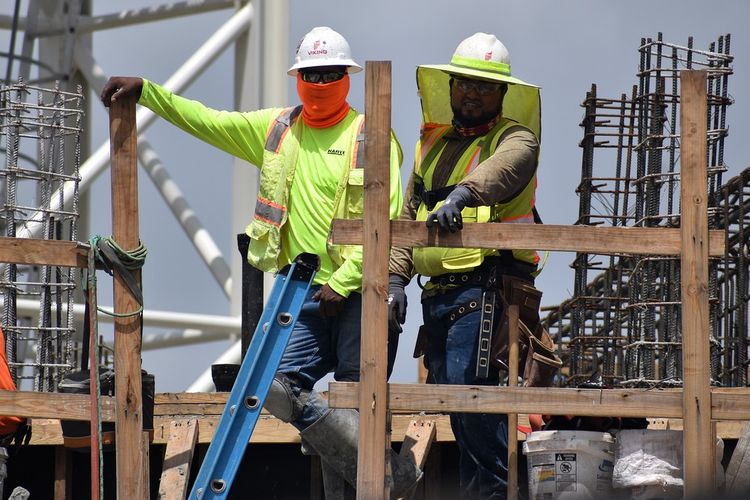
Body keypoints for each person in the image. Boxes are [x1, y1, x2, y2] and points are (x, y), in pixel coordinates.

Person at [101, 26, 420, 497]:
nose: (320, 81)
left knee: (355, 406)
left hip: (359, 294)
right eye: (311, 74)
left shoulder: (370, 135)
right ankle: (392, 476)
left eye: (330, 73)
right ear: (298, 78)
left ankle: (377, 480)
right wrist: (149, 92)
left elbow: (387, 217)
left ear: (349, 77)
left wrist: (347, 280)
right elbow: (206, 120)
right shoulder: (278, 129)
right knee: (270, 383)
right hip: (302, 294)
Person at [388, 32, 552, 499]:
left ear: (501, 93)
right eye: (464, 83)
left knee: (474, 403)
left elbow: (500, 172)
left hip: (485, 292)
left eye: (484, 86)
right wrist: (397, 280)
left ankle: (498, 493)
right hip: (438, 296)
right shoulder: (432, 144)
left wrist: (461, 196)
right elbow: (408, 215)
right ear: (452, 86)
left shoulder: (517, 138)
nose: (472, 93)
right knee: (460, 411)